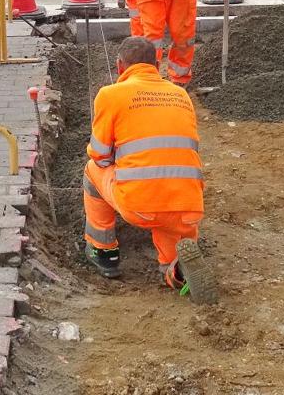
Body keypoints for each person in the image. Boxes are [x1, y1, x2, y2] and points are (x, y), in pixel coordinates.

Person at [82, 36, 216, 303]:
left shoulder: (111, 95)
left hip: (140, 205)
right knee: (170, 228)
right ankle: (176, 271)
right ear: (157, 63)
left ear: (121, 67)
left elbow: (100, 154)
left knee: (91, 170)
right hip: (187, 204)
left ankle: (104, 251)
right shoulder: (180, 95)